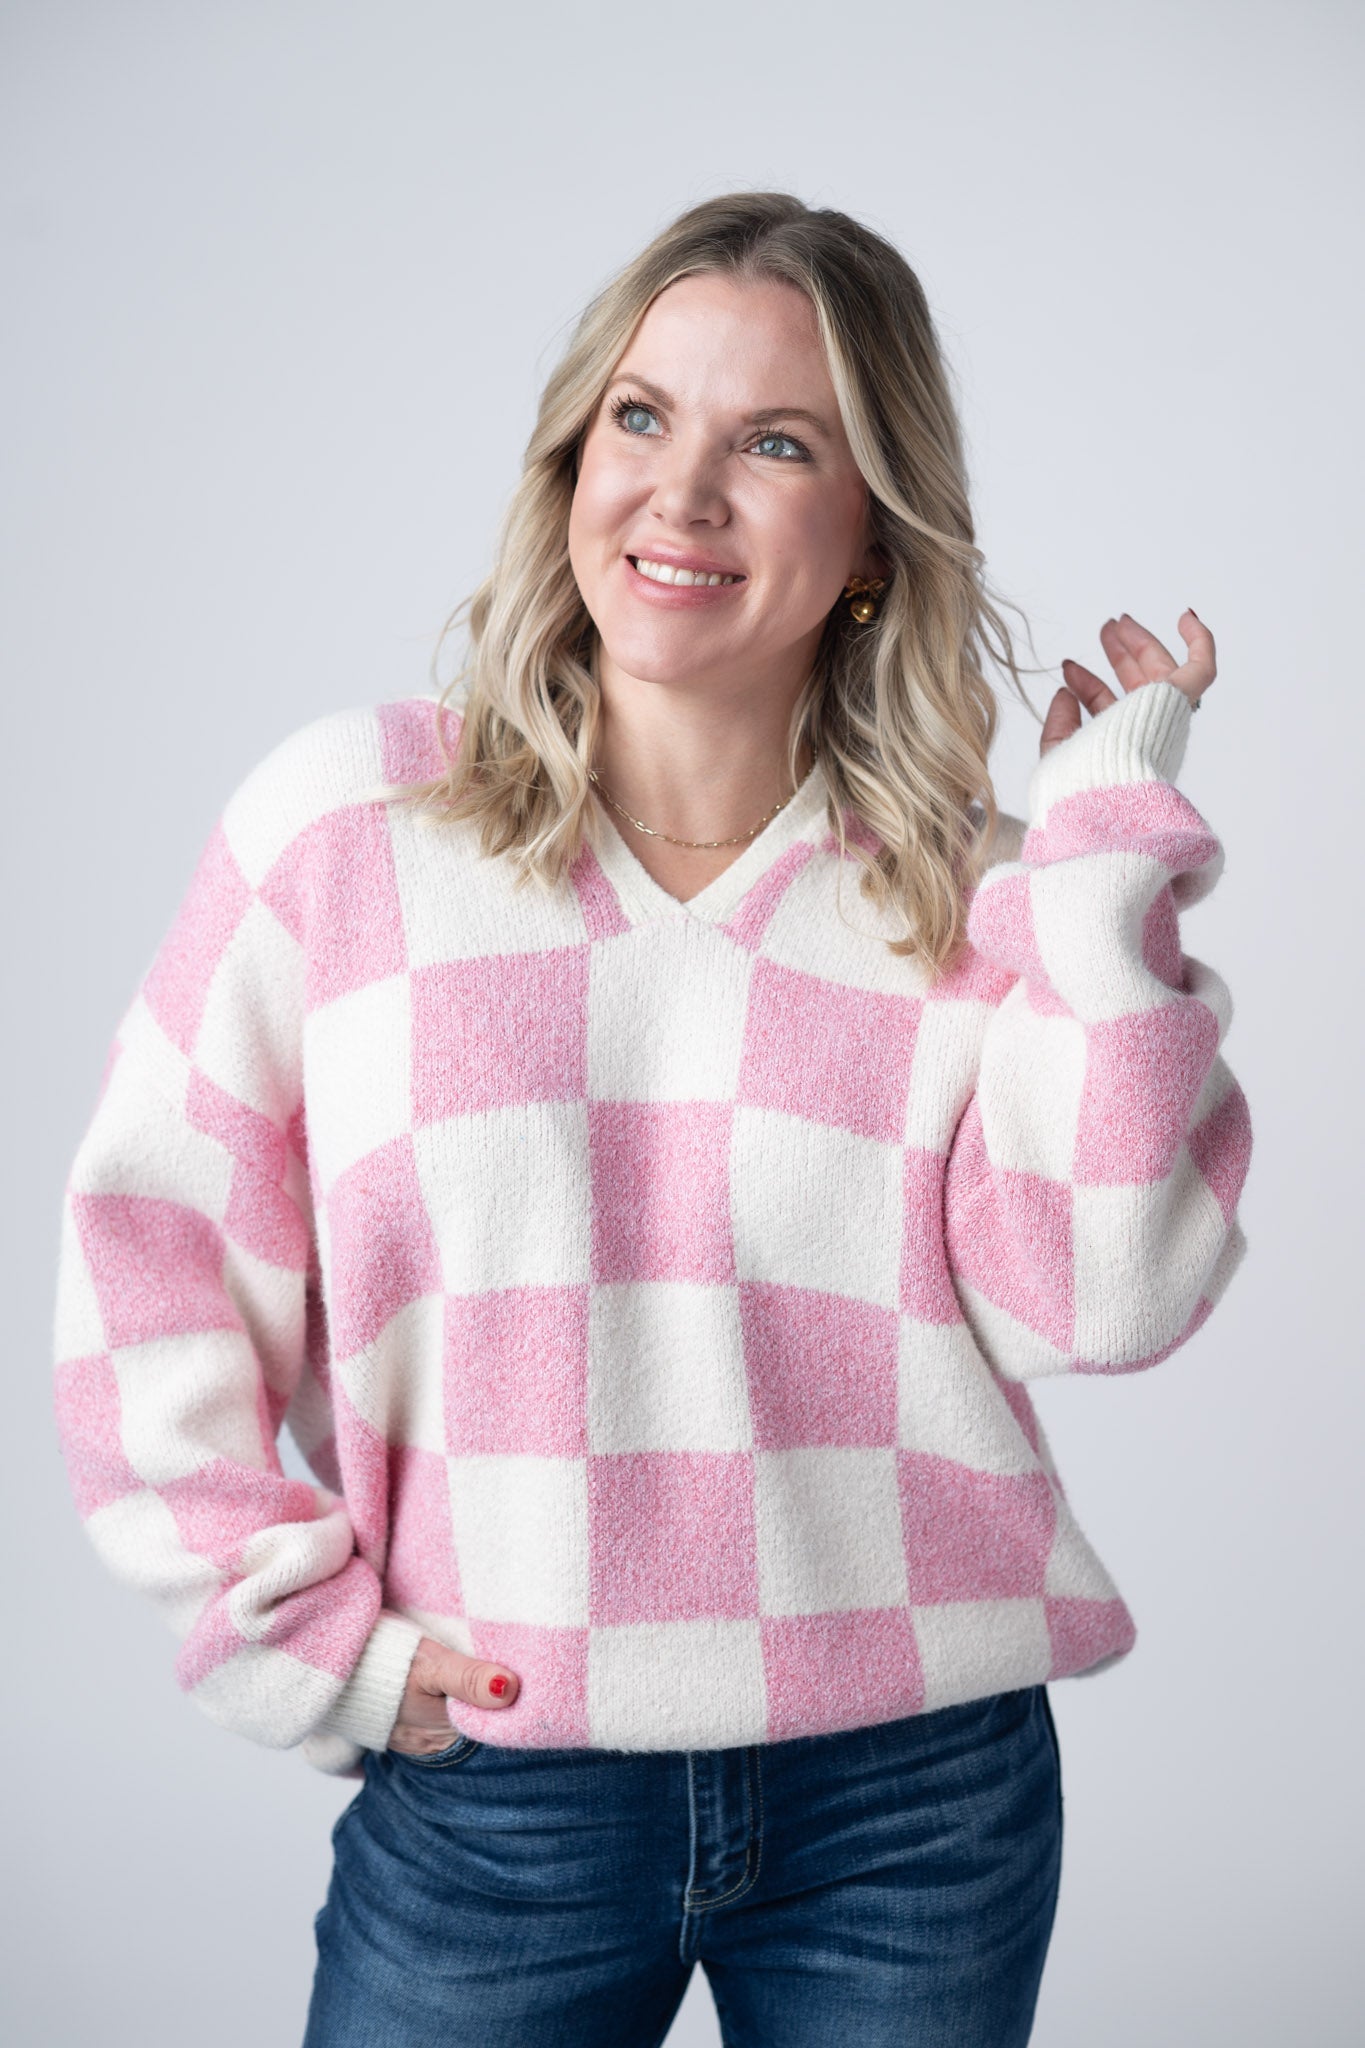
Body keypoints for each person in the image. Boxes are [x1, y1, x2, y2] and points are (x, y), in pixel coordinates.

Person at [52, 191, 1250, 2047]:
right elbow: (152, 1257)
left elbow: (1109, 1293)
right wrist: (294, 1637)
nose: (679, 495)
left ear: (871, 536)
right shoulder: (348, 835)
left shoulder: (978, 898)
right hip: (502, 1787)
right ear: (569, 461)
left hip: (914, 1798)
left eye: (774, 444)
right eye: (641, 417)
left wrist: (1094, 869)